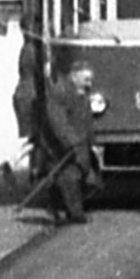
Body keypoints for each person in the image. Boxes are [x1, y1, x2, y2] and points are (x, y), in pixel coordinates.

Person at [31, 58, 102, 226]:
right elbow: (57, 121)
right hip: (59, 147)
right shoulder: (60, 92)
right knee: (69, 177)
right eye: (86, 79)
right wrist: (70, 141)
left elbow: (86, 121)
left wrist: (92, 142)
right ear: (74, 76)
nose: (89, 84)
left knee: (80, 177)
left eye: (90, 80)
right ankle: (74, 214)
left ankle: (61, 211)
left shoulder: (81, 94)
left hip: (79, 144)